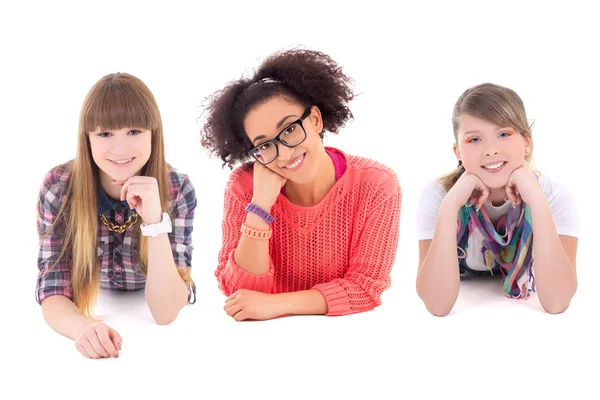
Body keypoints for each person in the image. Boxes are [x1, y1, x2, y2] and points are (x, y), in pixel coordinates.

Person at [200, 48, 402, 321]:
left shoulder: (377, 184)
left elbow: (365, 287)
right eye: (264, 145)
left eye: (290, 129)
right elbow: (240, 295)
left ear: (316, 119)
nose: (284, 154)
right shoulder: (244, 187)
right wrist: (260, 205)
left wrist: (277, 304)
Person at [36, 72, 197, 358]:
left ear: (153, 134)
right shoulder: (59, 187)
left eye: (134, 131)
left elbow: (166, 313)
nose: (120, 149)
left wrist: (155, 223)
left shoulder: (177, 188)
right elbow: (52, 284)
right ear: (87, 138)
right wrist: (82, 328)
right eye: (105, 133)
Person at [416, 83, 579, 316]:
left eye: (504, 134)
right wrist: (451, 206)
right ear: (458, 152)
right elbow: (437, 305)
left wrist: (537, 202)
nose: (491, 150)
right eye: (474, 140)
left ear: (527, 142)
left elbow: (557, 302)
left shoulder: (555, 197)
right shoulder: (439, 195)